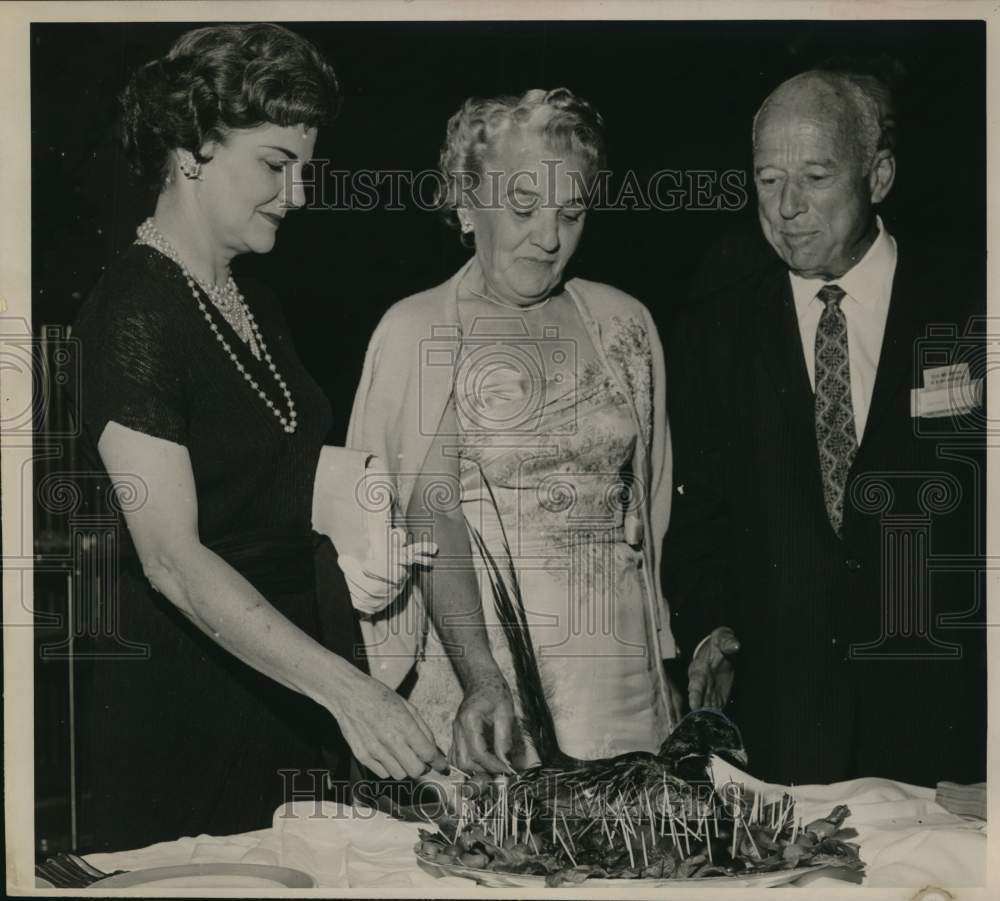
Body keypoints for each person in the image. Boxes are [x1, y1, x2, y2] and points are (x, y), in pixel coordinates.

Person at [71, 23, 444, 853]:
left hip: (281, 702)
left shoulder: (255, 302)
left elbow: (275, 479)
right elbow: (170, 557)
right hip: (183, 720)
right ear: (194, 146)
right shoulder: (135, 311)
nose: (299, 194)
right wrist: (350, 693)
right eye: (276, 164)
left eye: (305, 168)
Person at [348, 88, 683, 778]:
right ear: (467, 205)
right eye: (524, 207)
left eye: (572, 211)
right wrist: (483, 678)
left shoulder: (625, 326)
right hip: (484, 685)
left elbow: (648, 515)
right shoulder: (421, 330)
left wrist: (663, 660)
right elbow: (427, 512)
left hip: (621, 682)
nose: (550, 236)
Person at [665, 68, 986, 786]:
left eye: (814, 176)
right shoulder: (714, 330)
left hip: (948, 725)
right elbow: (697, 522)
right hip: (783, 735)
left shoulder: (972, 306)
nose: (786, 208)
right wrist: (711, 632)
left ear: (879, 174)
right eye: (767, 179)